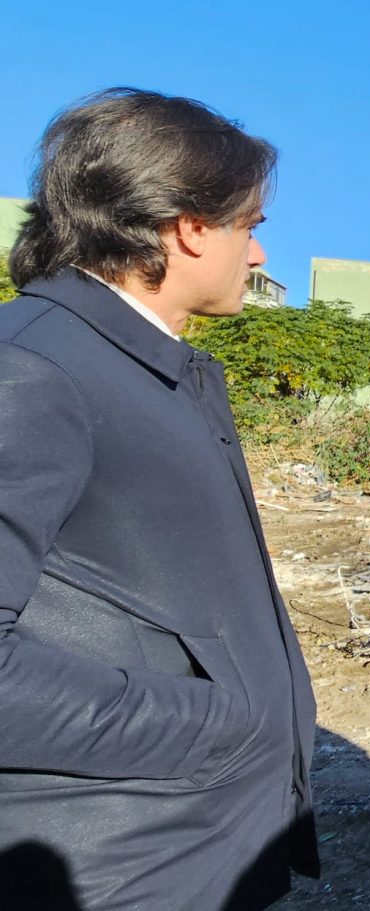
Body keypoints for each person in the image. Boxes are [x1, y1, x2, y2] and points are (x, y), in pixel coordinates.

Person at [0, 89, 318, 910]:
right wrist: (215, 721)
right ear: (189, 227)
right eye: (249, 226)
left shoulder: (146, 368)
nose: (257, 253)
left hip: (184, 846)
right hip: (116, 864)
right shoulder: (34, 370)